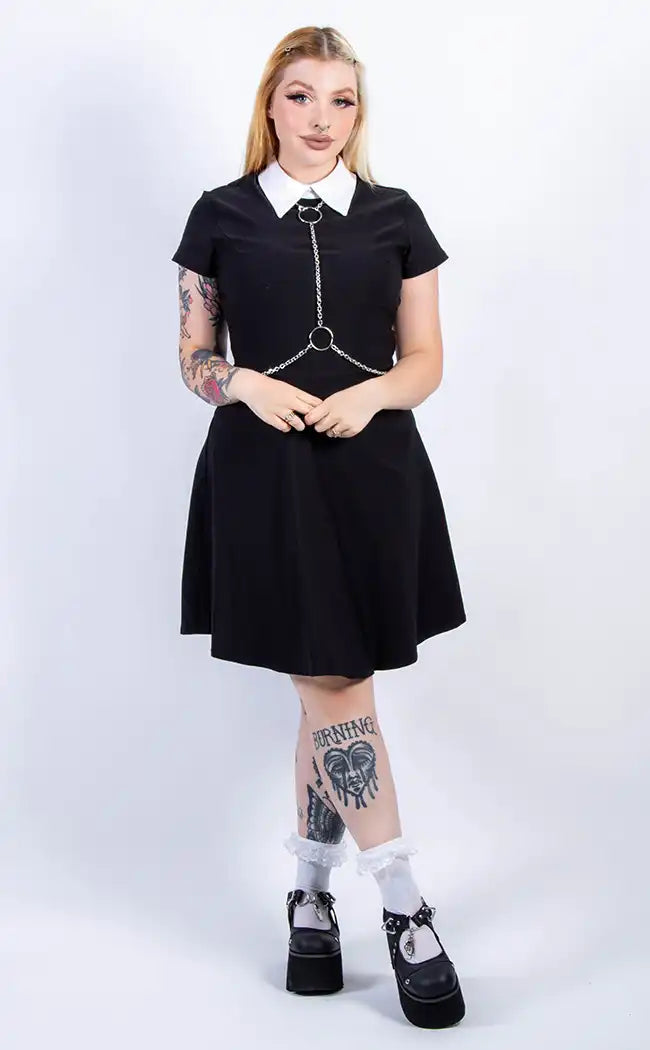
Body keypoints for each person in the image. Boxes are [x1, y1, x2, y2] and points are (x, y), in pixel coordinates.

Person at [171, 26, 467, 1029]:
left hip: (373, 472)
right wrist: (244, 384)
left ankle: (308, 897)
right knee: (336, 681)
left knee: (325, 683)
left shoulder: (394, 215)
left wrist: (372, 394)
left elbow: (425, 359)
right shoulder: (220, 213)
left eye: (342, 100)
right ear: (270, 103)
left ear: (358, 113)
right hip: (264, 476)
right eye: (301, 96)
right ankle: (402, 899)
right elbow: (194, 356)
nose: (321, 119)